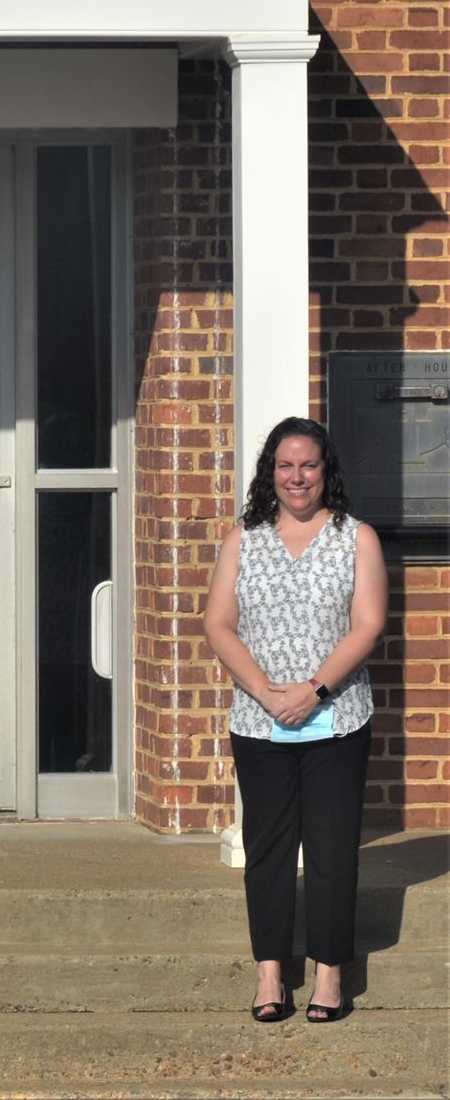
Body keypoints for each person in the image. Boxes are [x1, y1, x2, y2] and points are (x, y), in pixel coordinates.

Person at [201, 416, 386, 1024]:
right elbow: (218, 623)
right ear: (270, 473)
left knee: (333, 850)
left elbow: (367, 625)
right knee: (269, 850)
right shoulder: (243, 539)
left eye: (308, 465)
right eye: (285, 465)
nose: (297, 476)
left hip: (336, 719)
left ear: (325, 470)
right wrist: (264, 690)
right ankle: (271, 974)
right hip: (260, 724)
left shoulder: (356, 538)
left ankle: (331, 975)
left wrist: (312, 689)